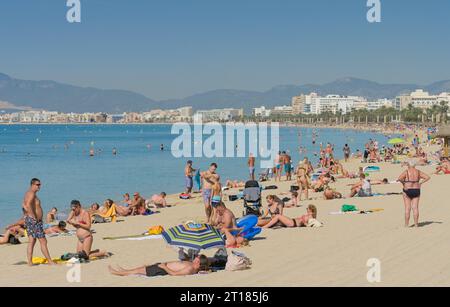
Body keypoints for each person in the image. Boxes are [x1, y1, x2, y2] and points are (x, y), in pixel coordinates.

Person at [22, 178, 54, 266]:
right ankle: (50, 261)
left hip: (30, 220)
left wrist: (26, 216)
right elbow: (27, 205)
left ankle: (30, 262)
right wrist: (33, 217)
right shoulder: (32, 194)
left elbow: (23, 205)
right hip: (34, 221)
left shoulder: (28, 193)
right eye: (37, 184)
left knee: (32, 241)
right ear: (32, 185)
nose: (39, 186)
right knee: (43, 241)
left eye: (40, 184)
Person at [108, 254, 209, 277]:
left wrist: (164, 267)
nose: (195, 257)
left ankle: (118, 273)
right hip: (162, 266)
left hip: (162, 269)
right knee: (141, 268)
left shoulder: (190, 268)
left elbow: (174, 274)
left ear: (198, 262)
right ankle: (124, 270)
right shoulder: (192, 264)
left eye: (197, 257)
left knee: (139, 271)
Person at [398, 160, 430, 227]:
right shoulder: (418, 172)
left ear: (409, 165)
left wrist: (404, 184)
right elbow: (427, 177)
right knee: (415, 208)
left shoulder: (406, 171)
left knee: (407, 208)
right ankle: (416, 224)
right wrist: (420, 183)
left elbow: (399, 178)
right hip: (416, 189)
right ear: (414, 165)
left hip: (407, 190)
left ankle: (406, 225)